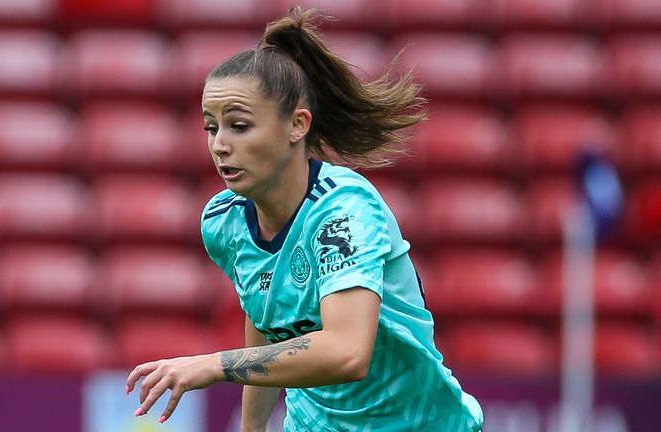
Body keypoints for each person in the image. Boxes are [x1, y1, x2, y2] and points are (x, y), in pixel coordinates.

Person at [126, 6, 484, 431]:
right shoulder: (223, 221)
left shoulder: (344, 212)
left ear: (297, 125)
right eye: (210, 128)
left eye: (238, 126)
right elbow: (263, 315)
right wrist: (252, 428)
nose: (220, 145)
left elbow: (347, 352)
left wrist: (215, 365)